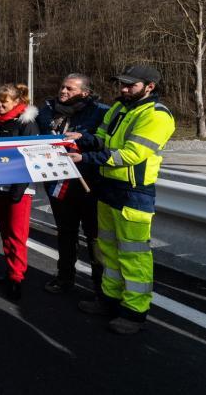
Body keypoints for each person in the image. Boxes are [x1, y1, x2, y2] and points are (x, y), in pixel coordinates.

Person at [69, 65, 175, 335]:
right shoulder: (119, 107)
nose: (124, 89)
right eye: (122, 84)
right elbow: (103, 139)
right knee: (108, 248)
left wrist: (85, 157)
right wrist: (83, 139)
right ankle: (109, 299)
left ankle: (134, 312)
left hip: (134, 192)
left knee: (134, 255)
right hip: (108, 187)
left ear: (149, 87)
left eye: (131, 85)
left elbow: (131, 154)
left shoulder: (157, 115)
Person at [37, 73, 108, 295]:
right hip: (58, 182)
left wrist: (81, 138)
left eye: (70, 89)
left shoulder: (100, 112)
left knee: (94, 237)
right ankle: (64, 277)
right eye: (62, 87)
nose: (63, 91)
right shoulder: (47, 110)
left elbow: (105, 143)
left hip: (89, 184)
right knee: (65, 233)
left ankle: (100, 286)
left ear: (85, 93)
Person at [0, 83, 40, 301]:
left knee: (17, 234)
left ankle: (17, 278)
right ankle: (10, 270)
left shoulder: (27, 123)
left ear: (17, 102)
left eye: (4, 102)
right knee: (5, 231)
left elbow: (32, 156)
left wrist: (19, 187)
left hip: (19, 187)